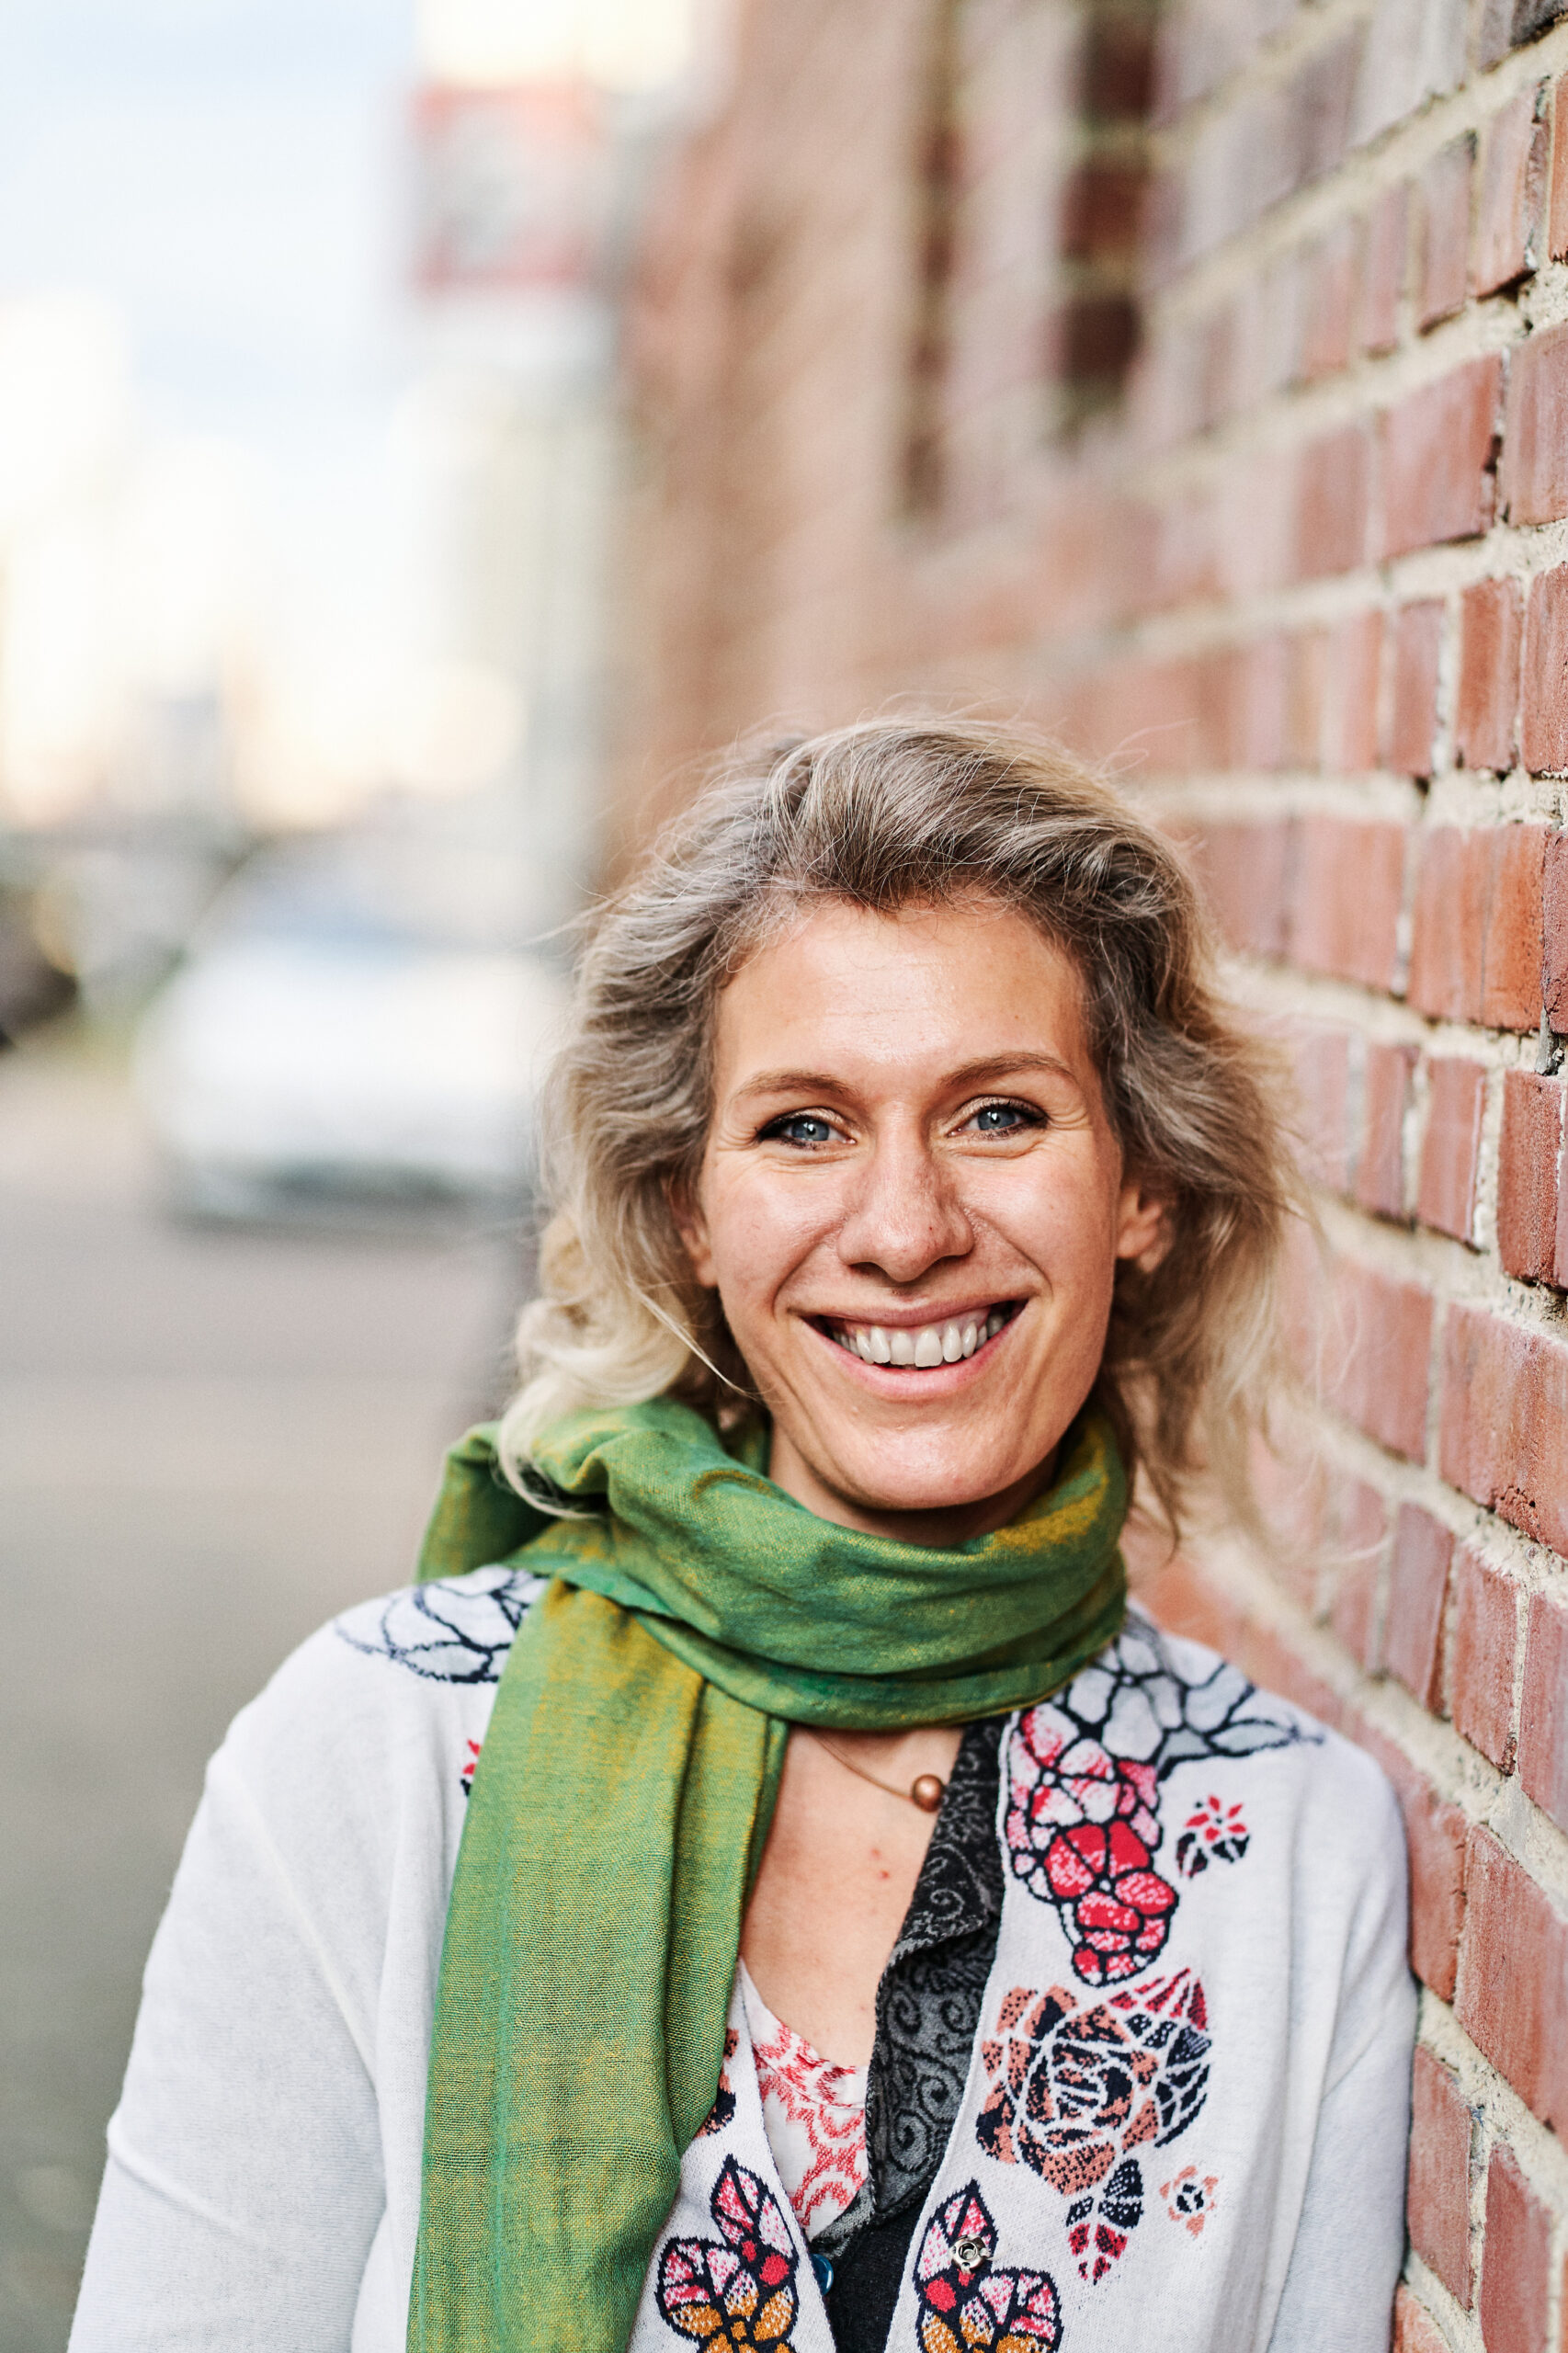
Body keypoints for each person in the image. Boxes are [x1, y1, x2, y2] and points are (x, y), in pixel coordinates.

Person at [71, 721, 1415, 2353]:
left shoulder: (1292, 1849)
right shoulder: (374, 1748)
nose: (905, 1230)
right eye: (802, 1128)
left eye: (999, 1115)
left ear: (1142, 1186)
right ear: (689, 1211)